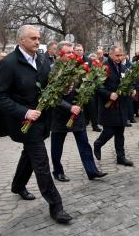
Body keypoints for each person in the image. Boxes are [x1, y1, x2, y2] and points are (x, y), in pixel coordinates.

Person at [0, 25, 72, 223]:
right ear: (21, 41)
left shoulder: (43, 60)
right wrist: (24, 112)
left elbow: (49, 87)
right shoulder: (8, 64)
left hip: (43, 120)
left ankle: (18, 186)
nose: (38, 41)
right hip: (23, 122)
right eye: (33, 38)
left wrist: (64, 89)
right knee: (41, 162)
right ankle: (56, 206)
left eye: (38, 38)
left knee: (29, 154)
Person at [50, 42, 107, 182]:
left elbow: (83, 86)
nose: (72, 55)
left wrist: (85, 94)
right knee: (57, 145)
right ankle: (57, 171)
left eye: (72, 52)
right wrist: (69, 107)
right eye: (68, 53)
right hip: (60, 114)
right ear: (59, 54)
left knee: (84, 142)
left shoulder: (78, 67)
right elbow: (52, 96)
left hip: (77, 111)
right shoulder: (53, 70)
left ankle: (92, 171)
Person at [93, 46, 134, 167]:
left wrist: (131, 89)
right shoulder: (104, 67)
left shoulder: (123, 66)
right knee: (109, 131)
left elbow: (128, 81)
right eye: (117, 55)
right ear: (110, 55)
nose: (120, 58)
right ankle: (98, 144)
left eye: (121, 55)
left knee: (120, 132)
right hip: (109, 106)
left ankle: (121, 157)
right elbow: (97, 87)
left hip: (121, 105)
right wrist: (109, 94)